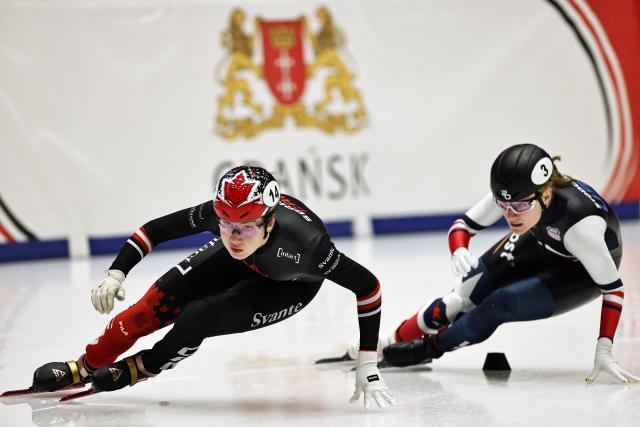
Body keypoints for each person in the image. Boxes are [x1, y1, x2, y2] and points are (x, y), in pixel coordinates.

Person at [28, 166, 395, 408]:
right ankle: (85, 364)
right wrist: (116, 273)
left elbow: (369, 287)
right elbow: (154, 230)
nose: (234, 235)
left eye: (246, 226)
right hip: (246, 263)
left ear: (269, 222)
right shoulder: (224, 217)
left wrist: (368, 363)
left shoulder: (310, 247)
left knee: (197, 316)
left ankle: (143, 367)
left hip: (287, 287)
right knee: (149, 308)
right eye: (225, 224)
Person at [381, 143, 638, 384]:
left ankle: (429, 348)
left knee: (499, 303)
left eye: (519, 206)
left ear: (546, 196)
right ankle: (392, 341)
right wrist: (458, 249)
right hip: (540, 240)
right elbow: (464, 226)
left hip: (580, 271)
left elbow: (613, 289)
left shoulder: (581, 228)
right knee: (461, 297)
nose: (510, 214)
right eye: (503, 205)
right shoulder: (518, 192)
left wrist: (605, 347)